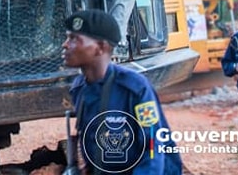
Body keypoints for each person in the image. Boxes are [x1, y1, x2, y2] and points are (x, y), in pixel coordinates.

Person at [63, 9, 180, 174]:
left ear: (100, 48)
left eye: (75, 39)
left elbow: (153, 148)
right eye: (68, 38)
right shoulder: (79, 88)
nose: (66, 45)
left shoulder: (134, 88)